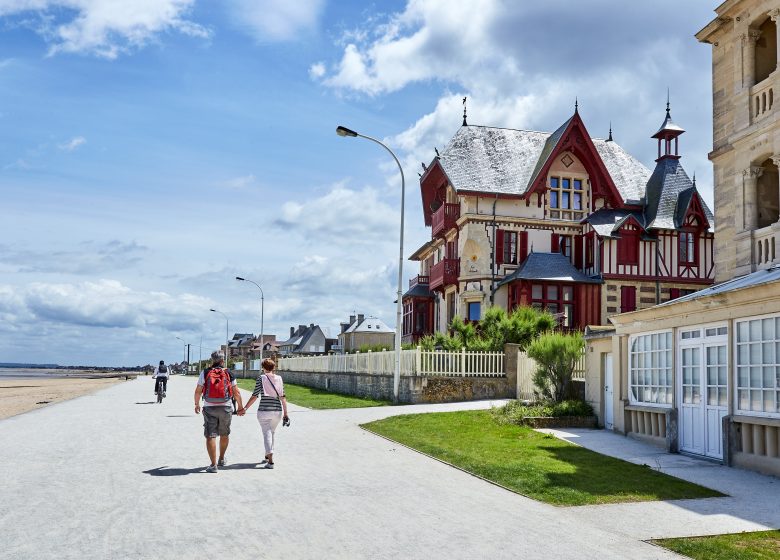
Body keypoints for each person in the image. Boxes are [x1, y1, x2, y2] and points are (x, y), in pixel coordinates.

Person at [194, 352, 244, 473]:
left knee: (210, 435)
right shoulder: (228, 372)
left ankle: (213, 465)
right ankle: (221, 459)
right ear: (223, 360)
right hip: (226, 407)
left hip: (209, 407)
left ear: (212, 360)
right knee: (224, 434)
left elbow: (198, 390)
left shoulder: (205, 372)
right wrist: (241, 407)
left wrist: (197, 404)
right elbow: (236, 392)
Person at [238, 358, 288, 469]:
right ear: (273, 367)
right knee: (272, 432)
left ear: (263, 368)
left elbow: (255, 395)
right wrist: (286, 413)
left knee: (267, 433)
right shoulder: (279, 378)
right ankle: (267, 455)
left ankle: (270, 462)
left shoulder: (261, 378)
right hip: (277, 411)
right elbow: (283, 397)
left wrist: (245, 408)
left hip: (264, 411)